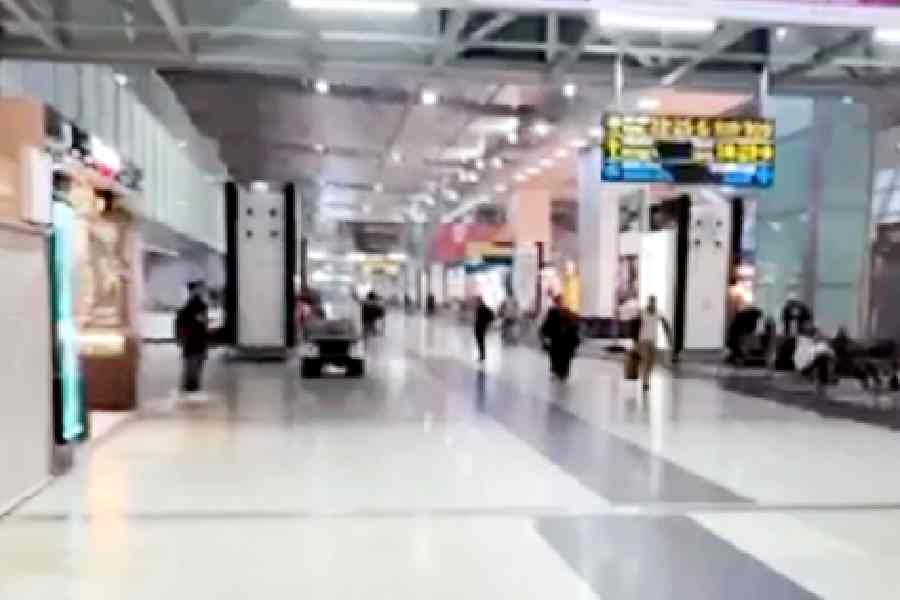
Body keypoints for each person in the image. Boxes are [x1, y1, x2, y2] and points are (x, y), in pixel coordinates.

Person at [175, 281, 209, 394]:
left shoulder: (193, 305)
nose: (202, 290)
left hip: (194, 340)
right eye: (200, 288)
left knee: (193, 366)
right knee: (194, 367)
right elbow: (200, 321)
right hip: (194, 340)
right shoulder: (196, 305)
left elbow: (181, 322)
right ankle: (191, 388)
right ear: (194, 290)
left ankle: (190, 388)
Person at [637, 295, 675, 392]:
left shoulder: (658, 312)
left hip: (653, 341)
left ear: (655, 303)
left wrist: (669, 338)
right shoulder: (642, 312)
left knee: (652, 362)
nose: (652, 304)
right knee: (646, 359)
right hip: (643, 340)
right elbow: (635, 325)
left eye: (654, 302)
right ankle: (645, 381)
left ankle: (646, 377)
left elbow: (665, 325)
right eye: (651, 302)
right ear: (648, 302)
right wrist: (635, 341)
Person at [540, 295, 581, 380]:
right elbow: (548, 324)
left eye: (560, 301)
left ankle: (562, 373)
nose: (559, 303)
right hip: (557, 339)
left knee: (563, 357)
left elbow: (574, 324)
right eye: (558, 301)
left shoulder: (567, 311)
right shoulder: (553, 312)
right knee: (556, 356)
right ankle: (558, 372)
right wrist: (544, 334)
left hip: (565, 339)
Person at [473, 296, 495, 363]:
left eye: (476, 301)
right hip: (479, 327)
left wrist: (485, 322)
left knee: (481, 342)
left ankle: (482, 356)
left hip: (480, 327)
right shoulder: (480, 307)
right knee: (480, 342)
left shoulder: (483, 308)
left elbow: (492, 316)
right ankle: (482, 355)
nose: (475, 303)